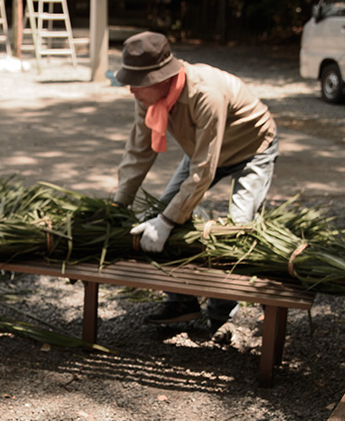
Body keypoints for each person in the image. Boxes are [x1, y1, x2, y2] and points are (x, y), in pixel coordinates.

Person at [112, 32, 279, 338]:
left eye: (136, 81)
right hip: (204, 151)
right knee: (163, 211)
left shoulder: (206, 94)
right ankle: (181, 302)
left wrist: (166, 222)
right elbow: (138, 151)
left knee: (237, 230)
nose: (131, 89)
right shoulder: (147, 97)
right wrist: (117, 204)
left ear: (160, 78)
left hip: (251, 148)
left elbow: (204, 168)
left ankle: (220, 313)